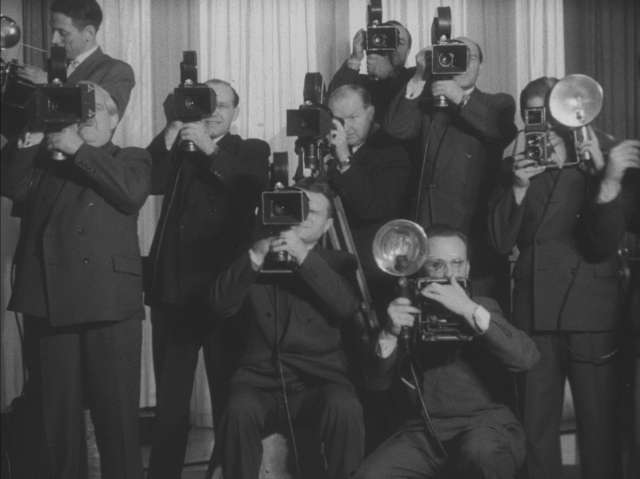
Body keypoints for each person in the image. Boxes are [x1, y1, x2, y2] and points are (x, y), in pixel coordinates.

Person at [1, 80, 150, 479]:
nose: (85, 118)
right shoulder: (45, 159)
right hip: (49, 303)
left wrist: (78, 148)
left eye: (93, 108)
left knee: (118, 424)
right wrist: (32, 135)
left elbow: (131, 192)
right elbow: (10, 185)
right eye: (77, 109)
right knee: (58, 426)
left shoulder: (131, 157)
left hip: (110, 305)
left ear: (114, 120)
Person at [488, 76, 627, 479]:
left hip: (592, 311)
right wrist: (518, 187)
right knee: (536, 425)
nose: (544, 127)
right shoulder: (511, 170)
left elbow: (605, 241)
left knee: (599, 424)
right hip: (535, 311)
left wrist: (601, 176)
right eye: (533, 117)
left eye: (551, 117)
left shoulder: (600, 160)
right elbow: (498, 242)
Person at [144, 79, 270, 479]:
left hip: (223, 295)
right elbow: (148, 182)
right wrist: (172, 128)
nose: (215, 112)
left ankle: (228, 472)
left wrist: (210, 149)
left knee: (228, 396)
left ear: (236, 112)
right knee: (170, 406)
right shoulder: (179, 146)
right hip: (174, 294)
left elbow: (252, 190)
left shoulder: (251, 149)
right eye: (207, 103)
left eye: (224, 105)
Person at [353, 224, 539, 478]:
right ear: (420, 267)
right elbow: (375, 384)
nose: (449, 274)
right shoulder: (404, 311)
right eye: (437, 265)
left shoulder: (484, 306)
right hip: (424, 433)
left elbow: (526, 358)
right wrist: (389, 332)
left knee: (481, 455)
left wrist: (468, 309)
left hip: (484, 426)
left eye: (457, 263)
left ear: (467, 268)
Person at [212, 178, 365, 479]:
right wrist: (255, 256)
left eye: (314, 212)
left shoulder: (340, 263)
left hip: (319, 381)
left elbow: (347, 306)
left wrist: (303, 257)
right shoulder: (254, 256)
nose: (305, 217)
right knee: (239, 409)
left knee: (345, 407)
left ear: (327, 226)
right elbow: (219, 305)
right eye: (299, 208)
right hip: (259, 382)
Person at [384, 37, 517, 304]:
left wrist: (459, 98)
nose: (463, 64)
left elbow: (500, 130)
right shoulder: (430, 104)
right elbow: (396, 129)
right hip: (427, 226)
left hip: (473, 230)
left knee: (478, 308)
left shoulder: (498, 103)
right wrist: (420, 75)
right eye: (456, 56)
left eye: (471, 57)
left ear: (481, 66)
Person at [325, 84, 410, 308]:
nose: (347, 127)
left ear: (370, 113)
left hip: (371, 272)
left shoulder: (391, 152)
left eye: (354, 117)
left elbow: (372, 208)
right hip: (333, 263)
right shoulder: (326, 148)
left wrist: (344, 158)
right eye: (339, 120)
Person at [17, 0, 134, 120]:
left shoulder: (117, 70)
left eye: (63, 33)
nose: (54, 40)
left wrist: (50, 86)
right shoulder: (53, 64)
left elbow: (105, 119)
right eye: (53, 31)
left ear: (89, 34)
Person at [328, 21, 414, 124]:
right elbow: (334, 106)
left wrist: (388, 73)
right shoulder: (359, 83)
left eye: (400, 42)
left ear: (408, 51)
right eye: (389, 40)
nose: (393, 47)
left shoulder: (415, 78)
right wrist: (355, 58)